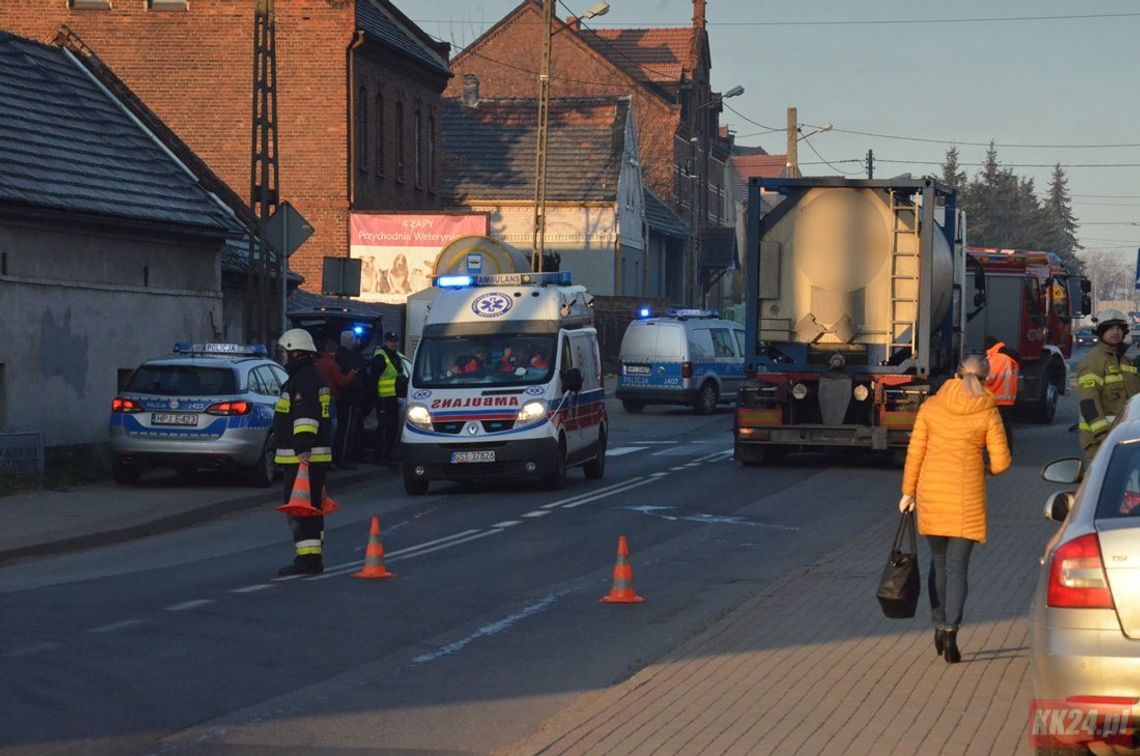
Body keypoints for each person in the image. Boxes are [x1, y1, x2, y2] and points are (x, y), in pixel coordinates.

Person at [898, 354, 1011, 664]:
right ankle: (951, 631)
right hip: (967, 497)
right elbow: (1002, 462)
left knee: (939, 562)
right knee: (958, 567)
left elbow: (915, 452)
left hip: (932, 494)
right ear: (986, 378)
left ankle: (937, 623)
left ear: (957, 373)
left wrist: (908, 492)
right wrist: (982, 467)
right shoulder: (988, 411)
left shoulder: (931, 406)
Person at [273, 329, 334, 576]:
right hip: (310, 456)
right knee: (311, 510)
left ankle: (307, 560)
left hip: (303, 458)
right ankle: (312, 557)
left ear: (295, 351)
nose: (284, 357)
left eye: (285, 352)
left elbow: (306, 416)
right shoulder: (310, 375)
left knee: (302, 510)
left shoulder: (304, 379)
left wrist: (302, 448)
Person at [1077, 309, 1140, 461]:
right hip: (1101, 441)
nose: (1115, 332)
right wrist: (1103, 435)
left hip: (1127, 439)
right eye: (1110, 328)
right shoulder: (1093, 361)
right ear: (1101, 332)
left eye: (1119, 328)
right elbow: (1088, 401)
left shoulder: (1127, 363)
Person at [370, 331, 404, 466]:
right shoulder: (380, 357)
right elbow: (373, 380)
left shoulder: (395, 357)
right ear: (385, 342)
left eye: (395, 341)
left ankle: (388, 453)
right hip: (383, 398)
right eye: (391, 341)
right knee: (384, 427)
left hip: (393, 398)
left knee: (393, 427)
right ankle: (380, 455)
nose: (394, 343)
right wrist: (376, 400)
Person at [334, 330, 367, 469]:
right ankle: (342, 458)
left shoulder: (339, 355)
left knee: (345, 428)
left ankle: (343, 456)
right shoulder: (348, 357)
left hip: (346, 397)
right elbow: (355, 369)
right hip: (348, 398)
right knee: (346, 429)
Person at [983, 336, 1019, 451]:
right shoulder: (1009, 357)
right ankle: (1007, 451)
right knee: (1006, 428)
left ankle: (1000, 454)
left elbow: (989, 378)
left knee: (996, 430)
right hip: (1008, 399)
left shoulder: (998, 358)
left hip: (997, 399)